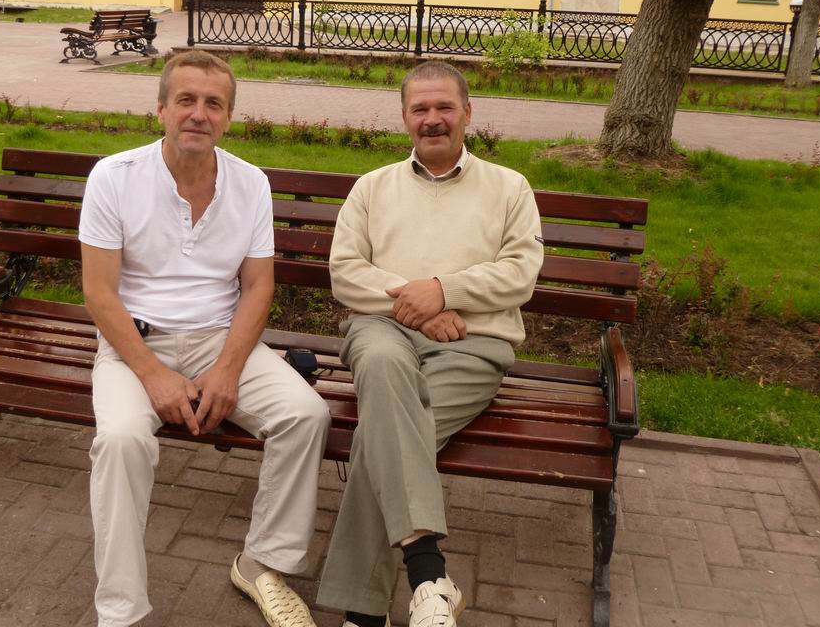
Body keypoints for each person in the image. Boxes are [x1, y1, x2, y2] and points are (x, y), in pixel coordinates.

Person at [79, 50, 330, 627]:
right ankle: (120, 611)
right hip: (134, 345)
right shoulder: (114, 177)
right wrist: (153, 375)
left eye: (214, 103)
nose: (199, 113)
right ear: (160, 109)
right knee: (120, 441)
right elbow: (99, 293)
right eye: (186, 100)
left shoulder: (250, 183)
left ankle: (263, 564)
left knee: (305, 415)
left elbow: (258, 286)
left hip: (220, 339)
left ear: (229, 117)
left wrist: (227, 370)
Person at [316, 61, 545, 627]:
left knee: (381, 435)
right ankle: (428, 577)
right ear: (404, 118)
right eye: (420, 109)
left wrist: (444, 291)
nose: (432, 119)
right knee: (383, 372)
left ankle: (364, 613)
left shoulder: (509, 187)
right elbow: (345, 272)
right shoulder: (372, 187)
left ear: (468, 113)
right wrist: (418, 307)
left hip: (472, 345)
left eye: (444, 107)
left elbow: (520, 272)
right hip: (383, 331)